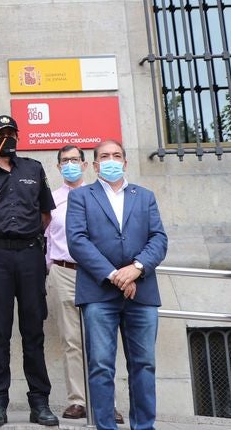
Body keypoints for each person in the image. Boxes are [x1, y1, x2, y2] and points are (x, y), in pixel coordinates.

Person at [66, 140, 167, 430]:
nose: (111, 160)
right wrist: (115, 275)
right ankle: (105, 426)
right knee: (100, 366)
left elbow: (158, 239)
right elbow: (77, 241)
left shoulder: (144, 196)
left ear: (125, 162)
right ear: (95, 165)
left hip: (142, 292)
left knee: (144, 364)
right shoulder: (81, 197)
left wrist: (135, 269)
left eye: (117, 155)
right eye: (104, 157)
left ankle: (144, 426)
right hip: (99, 293)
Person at [0, 114, 58, 427]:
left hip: (30, 256)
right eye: (1, 135)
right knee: (0, 332)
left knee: (33, 330)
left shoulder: (34, 169)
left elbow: (46, 215)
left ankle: (40, 403)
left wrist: (25, 241)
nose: (7, 139)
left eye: (11, 133)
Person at [45, 145, 123, 424]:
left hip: (97, 274)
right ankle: (78, 400)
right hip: (63, 272)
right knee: (71, 341)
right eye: (65, 161)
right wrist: (49, 270)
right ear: (58, 167)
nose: (70, 165)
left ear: (86, 164)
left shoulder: (100, 196)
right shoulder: (51, 201)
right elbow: (45, 240)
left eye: (75, 160)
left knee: (101, 341)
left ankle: (106, 403)